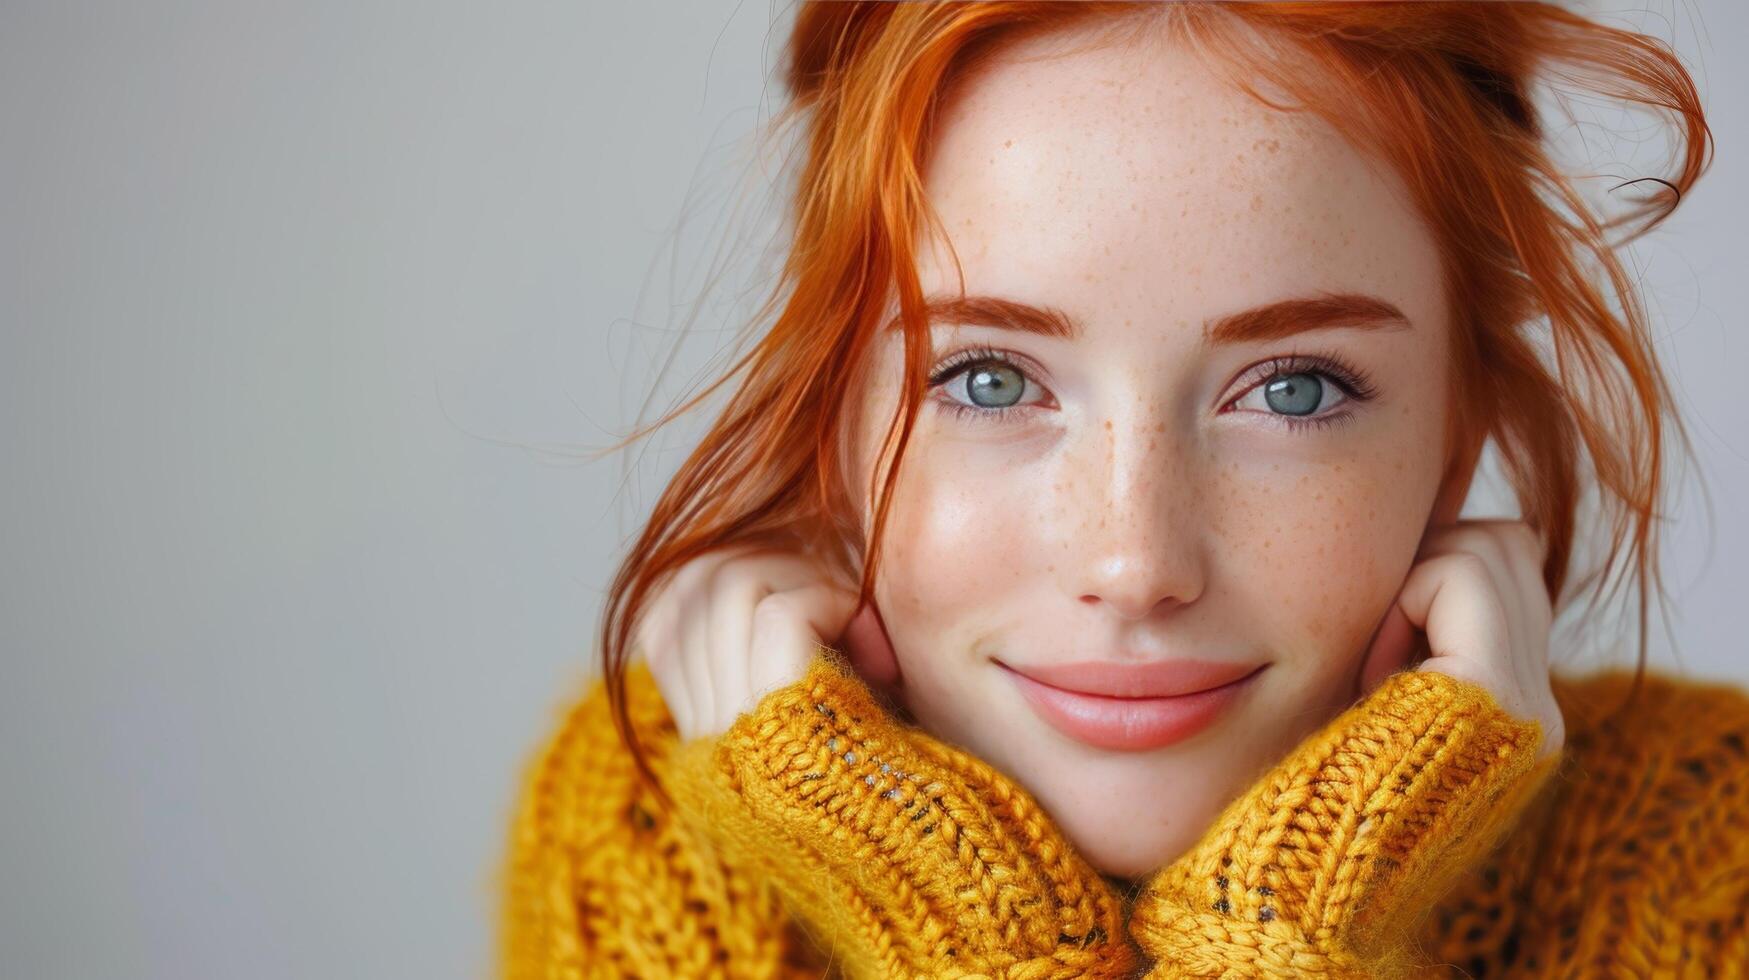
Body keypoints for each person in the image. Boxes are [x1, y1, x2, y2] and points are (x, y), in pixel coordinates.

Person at [499, 3, 1744, 977]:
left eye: (1295, 390)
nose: (1137, 561)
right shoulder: (657, 821)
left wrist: (1290, 932)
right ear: (833, 404)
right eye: (989, 381)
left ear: (1462, 420)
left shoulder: (1713, 856)